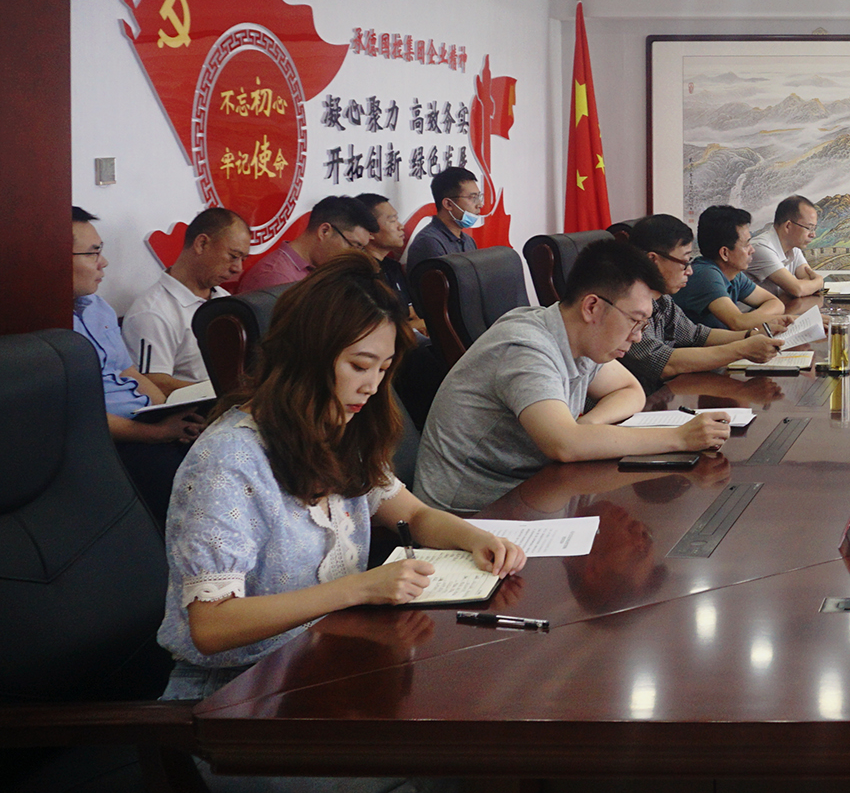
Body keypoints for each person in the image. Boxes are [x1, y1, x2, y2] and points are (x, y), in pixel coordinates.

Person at [157, 254, 527, 708]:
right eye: (359, 365)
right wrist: (362, 587)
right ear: (307, 355)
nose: (372, 386)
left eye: (383, 369)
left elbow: (412, 514)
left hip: (326, 660)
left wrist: (475, 538)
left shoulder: (338, 427)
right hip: (236, 695)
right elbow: (212, 626)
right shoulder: (228, 459)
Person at [415, 238, 733, 514]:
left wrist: (589, 425)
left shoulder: (582, 339)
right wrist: (679, 438)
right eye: (634, 321)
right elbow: (564, 444)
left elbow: (629, 389)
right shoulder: (526, 346)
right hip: (469, 515)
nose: (637, 336)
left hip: (531, 492)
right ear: (592, 307)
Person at [72, 207, 205, 525]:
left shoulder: (99, 308)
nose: (103, 262)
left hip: (146, 421)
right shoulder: (40, 329)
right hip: (110, 441)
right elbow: (76, 415)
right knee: (188, 491)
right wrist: (154, 433)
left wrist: (170, 415)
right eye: (92, 253)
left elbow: (129, 372)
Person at [621, 213, 784, 388]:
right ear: (653, 260)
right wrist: (742, 349)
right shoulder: (626, 304)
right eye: (684, 261)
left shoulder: (662, 300)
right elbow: (665, 363)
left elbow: (697, 335)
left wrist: (752, 335)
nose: (689, 271)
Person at [124, 205, 249, 391]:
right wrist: (220, 395)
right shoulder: (152, 313)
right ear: (201, 244)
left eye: (242, 259)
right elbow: (153, 382)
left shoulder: (224, 299)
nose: (237, 268)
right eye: (233, 256)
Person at [673, 205, 794, 332]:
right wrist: (757, 320)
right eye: (746, 244)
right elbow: (737, 323)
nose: (752, 250)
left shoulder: (733, 274)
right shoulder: (705, 275)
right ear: (725, 253)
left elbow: (775, 303)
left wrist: (751, 319)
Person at [237, 195, 374, 293]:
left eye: (360, 249)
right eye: (353, 245)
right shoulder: (276, 277)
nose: (354, 255)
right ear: (324, 231)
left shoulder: (321, 271)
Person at [403, 166, 483, 270]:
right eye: (473, 198)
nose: (479, 204)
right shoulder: (429, 242)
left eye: (478, 197)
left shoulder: (468, 241)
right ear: (448, 204)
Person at [747, 195, 825, 297]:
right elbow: (798, 289)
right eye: (809, 228)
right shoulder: (760, 247)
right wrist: (819, 281)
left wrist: (811, 285)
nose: (813, 235)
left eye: (814, 228)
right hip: (755, 308)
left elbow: (808, 280)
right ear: (788, 226)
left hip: (779, 306)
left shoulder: (794, 248)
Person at [352, 192, 412, 307]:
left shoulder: (393, 267)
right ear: (369, 231)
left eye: (397, 219)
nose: (401, 226)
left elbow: (412, 312)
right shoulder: (360, 275)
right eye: (392, 221)